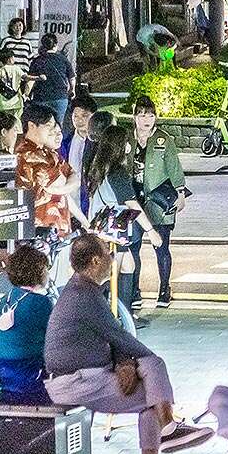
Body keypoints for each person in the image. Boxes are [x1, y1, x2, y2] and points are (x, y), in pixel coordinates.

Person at [45, 235, 211, 454]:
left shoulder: (82, 289)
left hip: (87, 377)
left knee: (152, 381)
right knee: (152, 384)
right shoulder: (83, 295)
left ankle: (157, 453)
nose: (112, 260)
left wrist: (126, 363)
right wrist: (139, 359)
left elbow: (111, 337)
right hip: (76, 381)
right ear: (95, 260)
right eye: (107, 255)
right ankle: (158, 450)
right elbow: (120, 336)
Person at [85, 124, 156, 320]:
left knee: (126, 266)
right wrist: (151, 231)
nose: (128, 145)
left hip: (101, 228)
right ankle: (116, 317)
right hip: (113, 230)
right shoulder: (117, 172)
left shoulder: (99, 167)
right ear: (119, 146)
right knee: (112, 270)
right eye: (126, 142)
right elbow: (133, 205)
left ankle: (123, 315)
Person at [132, 95, 188, 310]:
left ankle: (164, 289)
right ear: (134, 116)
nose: (146, 119)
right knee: (133, 246)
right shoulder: (129, 138)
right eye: (142, 114)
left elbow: (174, 167)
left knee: (161, 247)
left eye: (151, 115)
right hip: (134, 200)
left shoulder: (163, 140)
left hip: (158, 200)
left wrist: (180, 193)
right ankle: (134, 290)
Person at [0, 245, 54, 404]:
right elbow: (57, 339)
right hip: (31, 374)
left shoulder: (6, 299)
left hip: (4, 373)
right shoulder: (41, 303)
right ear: (39, 272)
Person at [17, 102, 82, 245]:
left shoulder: (48, 152)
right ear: (32, 126)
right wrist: (64, 186)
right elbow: (60, 180)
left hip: (60, 229)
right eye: (48, 126)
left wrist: (61, 190)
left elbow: (75, 177)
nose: (52, 131)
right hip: (41, 233)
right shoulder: (27, 154)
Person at [26, 32, 76, 128]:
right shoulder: (63, 59)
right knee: (58, 126)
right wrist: (72, 90)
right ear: (56, 45)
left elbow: (30, 80)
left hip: (40, 98)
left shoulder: (37, 61)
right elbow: (72, 77)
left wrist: (26, 94)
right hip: (60, 97)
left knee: (42, 126)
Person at [61, 95, 99, 196]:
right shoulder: (65, 142)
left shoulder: (99, 143)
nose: (79, 120)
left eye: (84, 115)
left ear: (94, 116)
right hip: (70, 196)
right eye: (75, 116)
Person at [0, 46, 27, 121]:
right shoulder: (16, 68)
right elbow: (24, 77)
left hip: (3, 102)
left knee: (4, 120)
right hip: (16, 100)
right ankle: (17, 132)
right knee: (17, 120)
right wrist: (37, 77)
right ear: (10, 59)